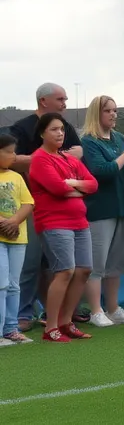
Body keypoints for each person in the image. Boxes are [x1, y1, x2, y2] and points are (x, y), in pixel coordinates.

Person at [9, 83, 83, 333]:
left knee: (58, 266)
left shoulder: (67, 127)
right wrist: (46, 158)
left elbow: (79, 151)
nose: (65, 103)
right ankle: (22, 314)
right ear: (43, 101)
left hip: (62, 207)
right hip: (32, 203)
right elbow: (11, 158)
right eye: (60, 99)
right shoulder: (21, 127)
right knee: (30, 264)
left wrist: (55, 159)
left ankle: (57, 314)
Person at [27, 112, 98, 342]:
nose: (59, 133)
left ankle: (66, 321)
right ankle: (51, 326)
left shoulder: (69, 160)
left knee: (84, 270)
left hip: (79, 222)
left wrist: (74, 184)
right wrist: (78, 189)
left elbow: (93, 184)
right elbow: (57, 189)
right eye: (54, 129)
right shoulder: (40, 159)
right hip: (54, 222)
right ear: (42, 133)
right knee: (65, 271)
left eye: (62, 129)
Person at [80, 95, 124, 327]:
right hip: (100, 209)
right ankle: (96, 311)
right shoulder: (89, 141)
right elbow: (102, 171)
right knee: (97, 263)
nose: (114, 115)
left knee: (117, 262)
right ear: (97, 114)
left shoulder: (118, 138)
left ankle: (114, 308)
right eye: (109, 111)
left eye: (115, 111)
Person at [0, 133, 35, 345]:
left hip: (18, 238)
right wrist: (5, 223)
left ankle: (11, 328)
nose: (14, 156)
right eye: (9, 152)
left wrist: (13, 221)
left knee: (14, 284)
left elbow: (28, 203)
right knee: (1, 284)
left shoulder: (17, 177)